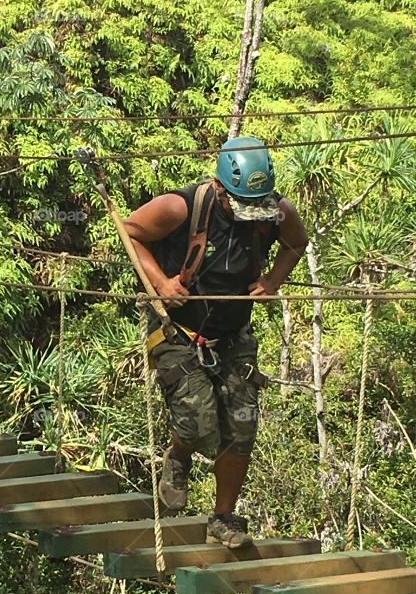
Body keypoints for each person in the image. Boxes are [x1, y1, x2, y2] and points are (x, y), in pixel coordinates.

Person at [123, 137, 308, 548]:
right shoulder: (181, 207)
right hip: (179, 329)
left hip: (233, 334)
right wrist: (160, 284)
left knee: (242, 426)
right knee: (196, 417)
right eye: (240, 203)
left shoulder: (272, 212)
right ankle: (180, 457)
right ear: (221, 187)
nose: (248, 213)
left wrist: (273, 282)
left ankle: (224, 517)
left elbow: (297, 242)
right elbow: (130, 232)